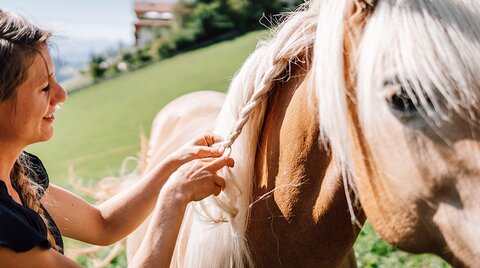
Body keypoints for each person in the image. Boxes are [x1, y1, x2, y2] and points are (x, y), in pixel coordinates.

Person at [0, 10, 234, 267]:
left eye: (55, 79)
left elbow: (103, 225)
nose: (61, 94)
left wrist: (171, 165)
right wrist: (174, 197)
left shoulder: (19, 174)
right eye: (44, 87)